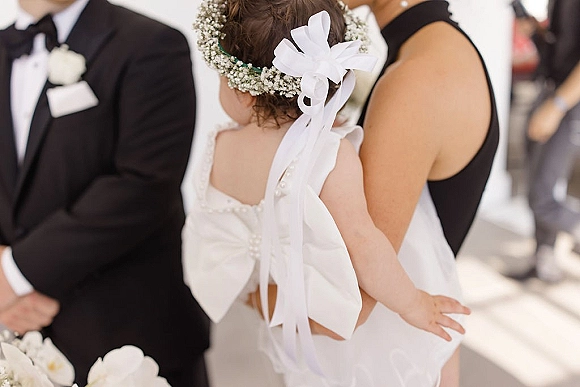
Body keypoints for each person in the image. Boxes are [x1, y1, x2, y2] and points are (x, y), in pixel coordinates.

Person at [183, 0, 470, 386]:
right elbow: (365, 245)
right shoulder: (330, 157)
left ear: (245, 90)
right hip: (333, 303)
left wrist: (255, 297)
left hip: (282, 301)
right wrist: (413, 303)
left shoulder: (221, 146)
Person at [0, 0, 210, 385]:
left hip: (126, 343)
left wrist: (13, 274)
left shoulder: (152, 44)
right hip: (12, 343)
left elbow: (143, 185)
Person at [344, 0, 500, 385]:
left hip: (395, 357)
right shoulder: (429, 47)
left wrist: (256, 294)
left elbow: (357, 298)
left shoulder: (415, 78)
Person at [513, 0, 580, 283]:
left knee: (543, 197)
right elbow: (561, 47)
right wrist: (536, 35)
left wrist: (558, 106)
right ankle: (544, 261)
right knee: (537, 185)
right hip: (550, 90)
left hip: (567, 99)